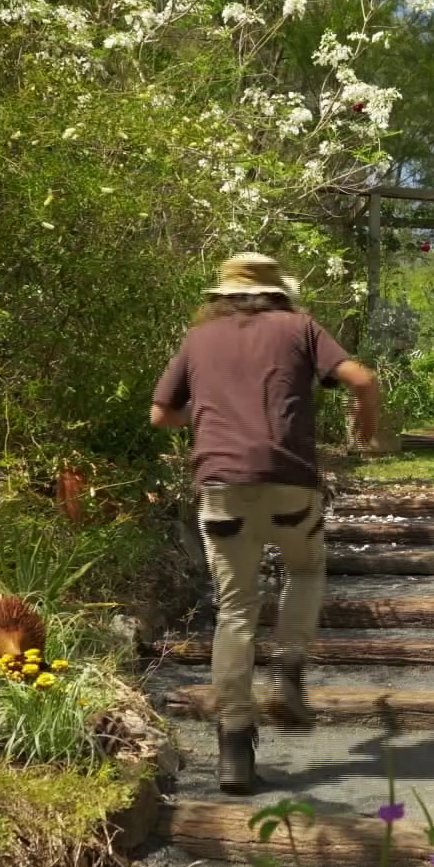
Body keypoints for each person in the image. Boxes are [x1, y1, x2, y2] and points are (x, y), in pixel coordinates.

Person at [151, 253, 382, 795]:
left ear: (222, 296)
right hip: (290, 483)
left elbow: (161, 414)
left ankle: (234, 747)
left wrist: (204, 413)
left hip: (223, 487)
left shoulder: (198, 339)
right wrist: (366, 426)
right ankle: (289, 668)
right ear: (278, 293)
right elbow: (363, 379)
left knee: (235, 609)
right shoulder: (299, 328)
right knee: (304, 570)